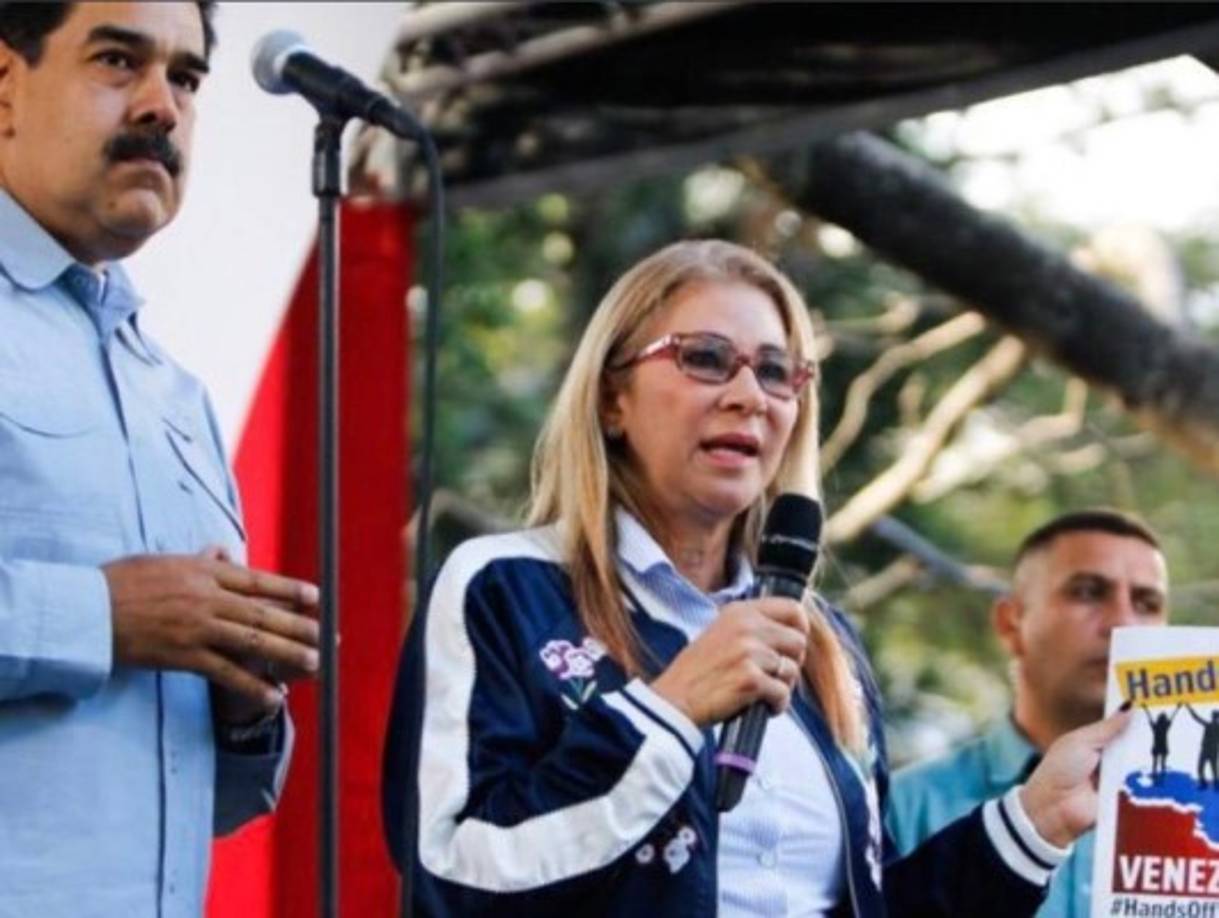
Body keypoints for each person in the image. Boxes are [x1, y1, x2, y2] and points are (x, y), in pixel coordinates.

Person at [383, 239, 1130, 916]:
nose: (749, 395)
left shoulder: (823, 642)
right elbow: (451, 877)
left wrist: (1033, 821)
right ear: (612, 399)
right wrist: (668, 714)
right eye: (705, 358)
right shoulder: (504, 588)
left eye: (776, 371)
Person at [0, 4, 320, 915]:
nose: (162, 107)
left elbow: (212, 803)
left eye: (185, 77)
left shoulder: (173, 394)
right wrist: (103, 615)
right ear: (5, 87)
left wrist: (245, 708)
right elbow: (124, 621)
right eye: (116, 60)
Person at [888, 509, 1169, 918]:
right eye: (1089, 592)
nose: (1123, 622)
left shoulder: (1201, 817)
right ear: (1010, 623)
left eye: (1147, 603)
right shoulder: (904, 806)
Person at [1144, 703, 1180, 781]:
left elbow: (1150, 718)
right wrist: (1177, 708)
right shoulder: (1165, 726)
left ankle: (1155, 776)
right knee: (1162, 763)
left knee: (1155, 763)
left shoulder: (1155, 727)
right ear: (1164, 719)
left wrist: (1145, 709)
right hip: (1163, 746)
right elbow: (1172, 717)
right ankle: (1162, 777)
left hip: (1156, 746)